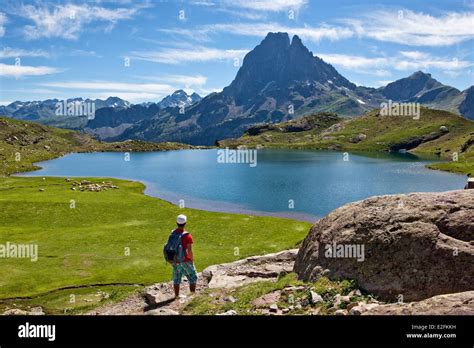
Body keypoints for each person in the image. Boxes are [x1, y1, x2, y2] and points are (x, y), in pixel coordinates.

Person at [171, 214, 197, 299]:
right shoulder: (187, 236)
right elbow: (189, 250)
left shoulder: (172, 234)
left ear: (176, 223)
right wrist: (192, 260)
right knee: (193, 277)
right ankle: (192, 296)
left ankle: (177, 296)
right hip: (186, 260)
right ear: (185, 223)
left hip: (175, 260)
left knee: (176, 278)